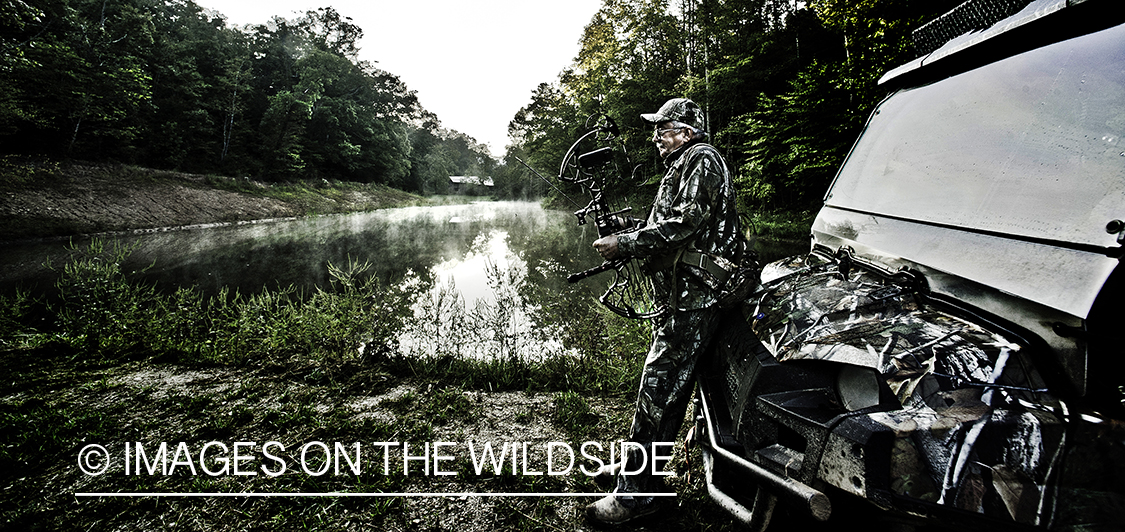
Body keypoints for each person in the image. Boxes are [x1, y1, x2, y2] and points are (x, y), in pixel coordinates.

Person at [586, 97, 743, 524]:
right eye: (655, 129)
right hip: (686, 297)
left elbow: (685, 223)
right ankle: (637, 473)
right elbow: (674, 222)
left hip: (696, 300)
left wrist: (627, 243)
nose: (655, 136)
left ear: (687, 130)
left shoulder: (701, 158)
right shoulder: (687, 162)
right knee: (664, 391)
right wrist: (628, 232)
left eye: (663, 128)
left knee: (659, 391)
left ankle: (639, 495)